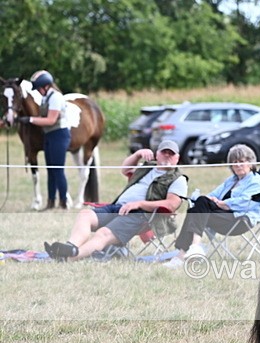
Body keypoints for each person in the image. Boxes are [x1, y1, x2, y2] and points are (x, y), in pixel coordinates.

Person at [44, 140, 187, 261]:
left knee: (103, 234)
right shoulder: (147, 167)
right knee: (85, 215)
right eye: (164, 152)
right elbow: (125, 169)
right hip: (117, 207)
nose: (167, 155)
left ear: (177, 158)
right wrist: (137, 154)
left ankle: (70, 256)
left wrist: (139, 204)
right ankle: (70, 246)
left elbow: (171, 204)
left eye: (171, 153)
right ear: (157, 154)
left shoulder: (178, 179)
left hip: (141, 215)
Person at [163, 144, 260, 269]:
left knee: (198, 209)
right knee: (198, 205)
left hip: (239, 219)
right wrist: (207, 200)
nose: (238, 165)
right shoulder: (231, 181)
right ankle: (190, 250)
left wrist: (224, 204)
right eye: (234, 162)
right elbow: (212, 195)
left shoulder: (257, 181)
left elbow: (248, 202)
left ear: (251, 163)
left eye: (242, 161)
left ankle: (185, 253)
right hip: (222, 217)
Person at [16, 70, 70, 209]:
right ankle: (51, 202)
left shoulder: (56, 97)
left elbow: (51, 120)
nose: (38, 92)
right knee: (50, 170)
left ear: (45, 86)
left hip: (59, 135)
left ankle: (63, 202)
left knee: (58, 170)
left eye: (38, 89)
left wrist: (30, 119)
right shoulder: (46, 97)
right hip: (49, 135)